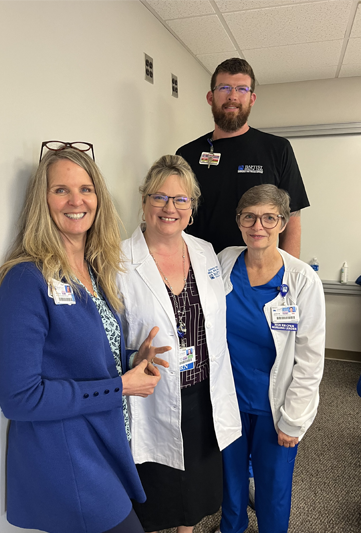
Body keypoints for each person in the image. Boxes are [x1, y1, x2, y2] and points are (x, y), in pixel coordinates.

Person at [0, 142, 171, 533]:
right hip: (68, 459)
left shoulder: (95, 269)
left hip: (103, 444)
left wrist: (128, 359)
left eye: (86, 189)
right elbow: (19, 397)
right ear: (43, 200)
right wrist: (121, 385)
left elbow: (79, 356)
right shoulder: (27, 280)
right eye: (61, 190)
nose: (76, 200)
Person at [116, 155, 241, 533]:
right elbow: (107, 331)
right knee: (157, 495)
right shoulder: (118, 259)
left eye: (181, 199)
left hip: (203, 393)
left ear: (192, 207)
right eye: (159, 197)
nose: (170, 208)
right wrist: (129, 357)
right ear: (143, 201)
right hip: (152, 394)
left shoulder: (204, 252)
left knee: (197, 495)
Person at [216, 184, 325, 533]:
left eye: (268, 217)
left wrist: (294, 419)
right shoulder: (224, 261)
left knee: (273, 489)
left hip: (275, 405)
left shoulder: (302, 280)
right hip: (229, 400)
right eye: (249, 216)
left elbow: (310, 358)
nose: (257, 225)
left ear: (281, 223)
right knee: (230, 483)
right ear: (238, 220)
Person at [176, 58, 309, 257]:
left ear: (252, 99)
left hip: (257, 273)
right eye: (224, 88)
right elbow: (176, 214)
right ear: (210, 97)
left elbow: (292, 217)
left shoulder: (277, 149)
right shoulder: (187, 155)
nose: (232, 96)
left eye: (242, 89)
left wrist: (287, 276)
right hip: (198, 270)